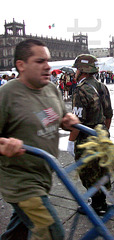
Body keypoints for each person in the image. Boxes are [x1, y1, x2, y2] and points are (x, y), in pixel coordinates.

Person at [0, 39, 79, 240]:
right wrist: (4, 144)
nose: (48, 66)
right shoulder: (8, 94)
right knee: (51, 232)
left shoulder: (51, 89)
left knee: (18, 232)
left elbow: (59, 117)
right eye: (40, 61)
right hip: (20, 181)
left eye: (48, 60)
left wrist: (67, 120)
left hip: (44, 175)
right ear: (21, 65)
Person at [67, 54, 113, 215]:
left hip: (86, 140)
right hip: (102, 136)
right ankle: (101, 203)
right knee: (102, 169)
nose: (75, 72)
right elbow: (109, 114)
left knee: (88, 172)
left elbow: (77, 121)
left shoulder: (80, 89)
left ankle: (96, 206)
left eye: (76, 69)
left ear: (82, 70)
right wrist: (104, 132)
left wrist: (71, 142)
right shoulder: (102, 86)